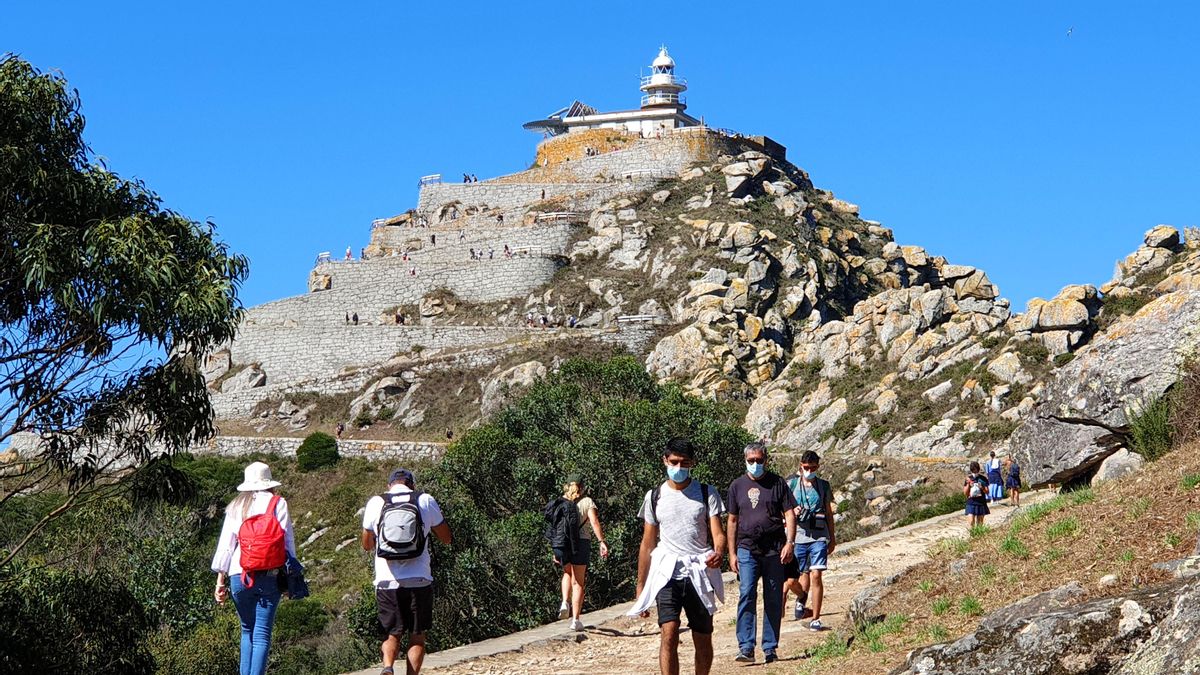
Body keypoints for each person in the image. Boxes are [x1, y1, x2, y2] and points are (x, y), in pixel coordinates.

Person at [630, 438, 726, 675]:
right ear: (665, 460)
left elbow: (718, 533)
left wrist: (718, 552)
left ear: (692, 463)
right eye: (674, 462)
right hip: (667, 572)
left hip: (699, 572)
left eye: (685, 463)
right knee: (669, 632)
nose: (679, 468)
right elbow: (647, 543)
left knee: (702, 636)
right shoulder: (654, 496)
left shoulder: (707, 493)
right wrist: (641, 585)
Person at [362, 469, 452, 675]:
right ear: (411, 485)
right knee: (417, 636)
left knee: (391, 634)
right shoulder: (425, 499)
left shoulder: (376, 502)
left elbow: (367, 545)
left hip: (387, 580)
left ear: (389, 485)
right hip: (420, 579)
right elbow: (446, 538)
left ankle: (388, 666)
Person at [211, 462, 297, 675]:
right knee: (261, 634)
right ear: (269, 483)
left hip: (239, 575)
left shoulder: (236, 505)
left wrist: (220, 582)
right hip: (270, 575)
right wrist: (291, 577)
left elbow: (226, 546)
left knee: (246, 629)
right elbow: (287, 543)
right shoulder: (279, 503)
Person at [727, 442, 796, 664]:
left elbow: (790, 513)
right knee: (747, 593)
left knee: (773, 597)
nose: (755, 464)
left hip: (774, 550)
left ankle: (770, 647)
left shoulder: (778, 483)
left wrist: (790, 543)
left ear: (765, 460)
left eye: (759, 460)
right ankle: (746, 646)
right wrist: (732, 553)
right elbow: (732, 520)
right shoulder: (737, 486)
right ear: (745, 460)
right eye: (751, 460)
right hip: (747, 549)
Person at [546, 475, 610, 631]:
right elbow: (594, 522)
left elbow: (555, 527)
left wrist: (556, 549)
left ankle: (564, 602)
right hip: (581, 543)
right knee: (579, 582)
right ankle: (575, 620)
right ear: (582, 487)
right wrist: (602, 541)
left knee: (567, 573)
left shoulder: (560, 502)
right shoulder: (587, 502)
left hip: (563, 544)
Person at [782, 450, 836, 631]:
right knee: (793, 578)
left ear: (818, 467)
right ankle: (801, 600)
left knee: (816, 575)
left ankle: (815, 618)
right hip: (797, 537)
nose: (809, 470)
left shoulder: (823, 486)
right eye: (806, 467)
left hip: (819, 536)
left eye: (813, 468)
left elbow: (829, 513)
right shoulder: (791, 485)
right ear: (801, 466)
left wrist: (832, 538)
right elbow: (782, 508)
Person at [965, 461, 990, 527]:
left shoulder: (983, 479)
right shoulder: (968, 479)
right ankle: (972, 535)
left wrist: (982, 488)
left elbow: (987, 492)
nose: (974, 473)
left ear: (978, 469)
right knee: (971, 522)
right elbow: (965, 493)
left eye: (975, 471)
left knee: (980, 524)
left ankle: (978, 536)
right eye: (973, 471)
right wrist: (968, 485)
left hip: (981, 502)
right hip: (971, 502)